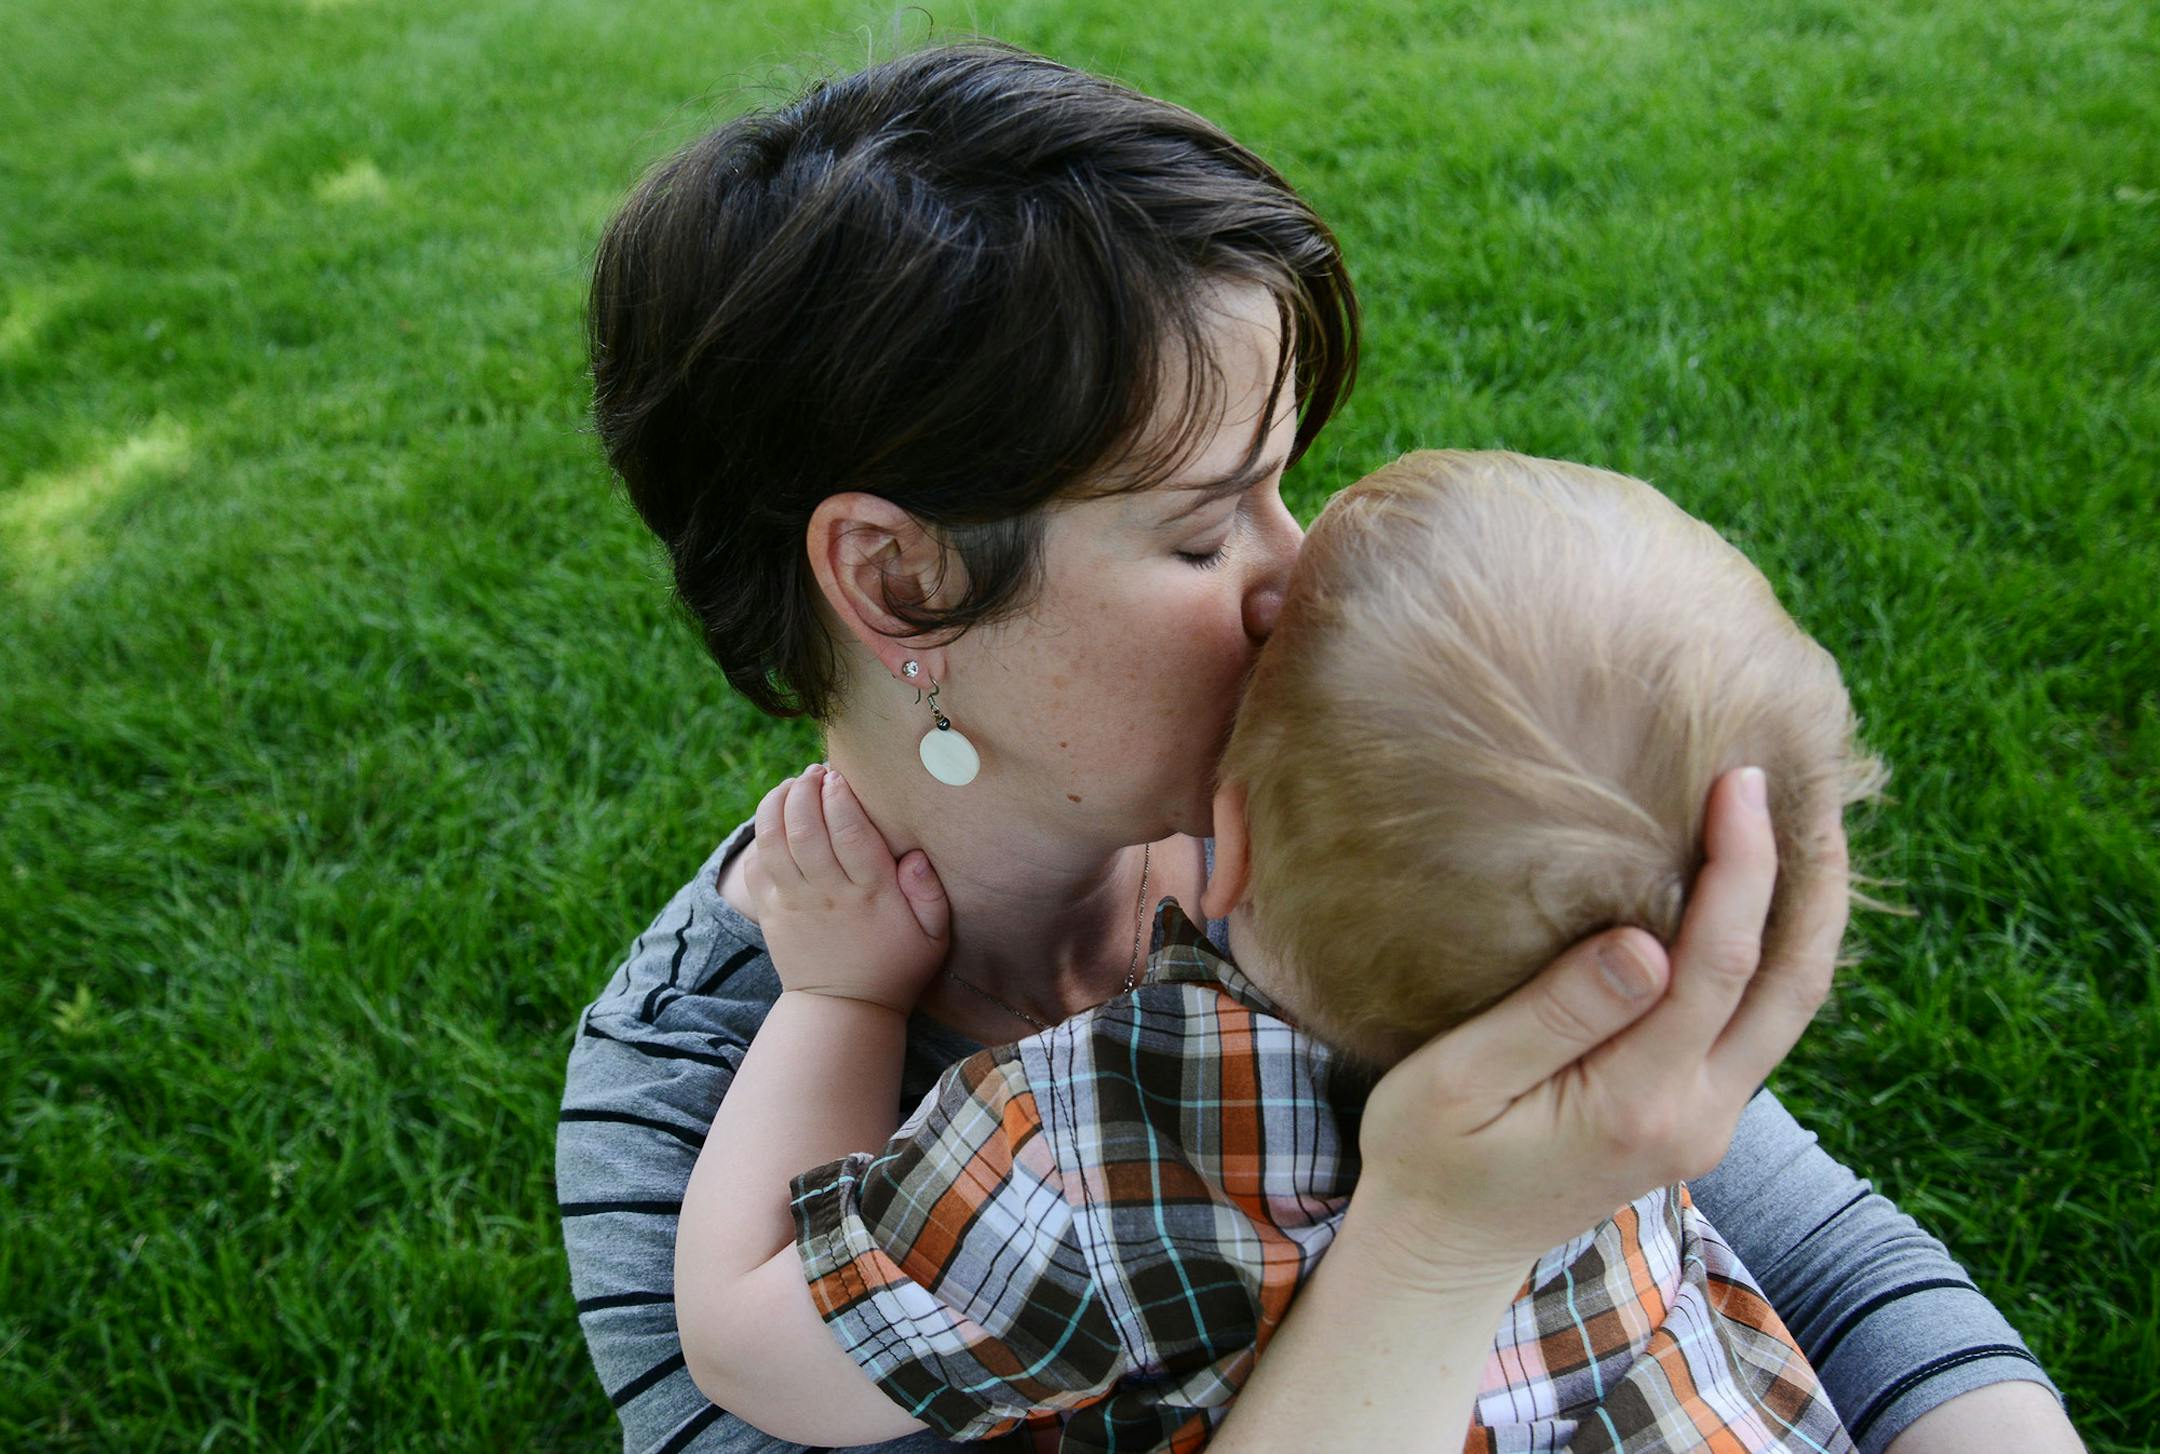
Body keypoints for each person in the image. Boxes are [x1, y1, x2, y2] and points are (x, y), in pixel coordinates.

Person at [557, 39, 2077, 1454]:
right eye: (1208, 524)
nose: (1297, 578)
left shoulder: (1395, 831)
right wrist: (1440, 1236)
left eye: (1291, 485)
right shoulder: (680, 1091)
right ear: (902, 578)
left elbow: (1830, 1267)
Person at [681, 450, 1877, 1451]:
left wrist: (838, 994)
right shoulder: (1633, 1078)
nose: (1280, 569)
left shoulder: (1087, 1146)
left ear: (1230, 830)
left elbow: (748, 1338)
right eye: (1205, 534)